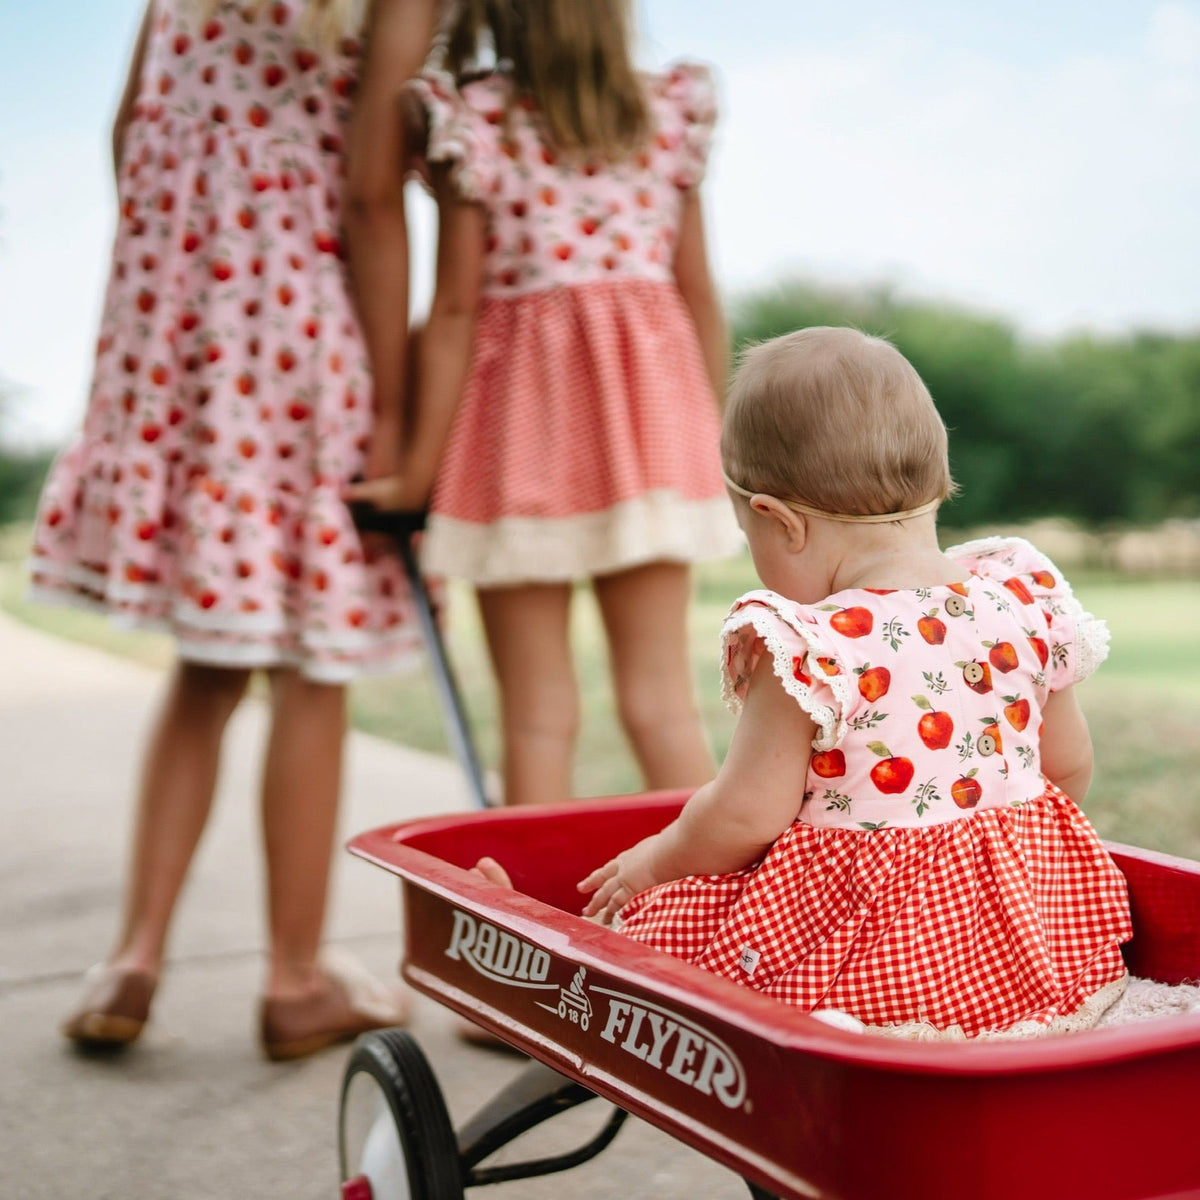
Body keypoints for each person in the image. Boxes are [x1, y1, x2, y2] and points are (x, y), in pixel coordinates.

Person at [31, 0, 437, 1060]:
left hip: (175, 316)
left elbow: (128, 127)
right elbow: (369, 191)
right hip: (302, 322)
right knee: (311, 668)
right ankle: (296, 979)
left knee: (206, 664)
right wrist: (394, 411)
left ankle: (134, 956)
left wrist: (184, 258)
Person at [576, 326, 1135, 1040]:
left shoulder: (816, 647)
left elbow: (744, 818)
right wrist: (997, 862)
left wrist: (655, 861)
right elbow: (1066, 767)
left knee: (660, 922)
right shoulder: (1018, 598)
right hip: (1033, 948)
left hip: (874, 971)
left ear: (778, 521)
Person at [346, 0, 743, 808]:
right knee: (661, 700)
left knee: (535, 717)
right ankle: (726, 915)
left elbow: (455, 311)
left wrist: (419, 472)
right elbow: (698, 295)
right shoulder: (665, 109)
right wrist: (721, 445)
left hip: (518, 441)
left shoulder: (478, 119)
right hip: (653, 441)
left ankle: (537, 920)